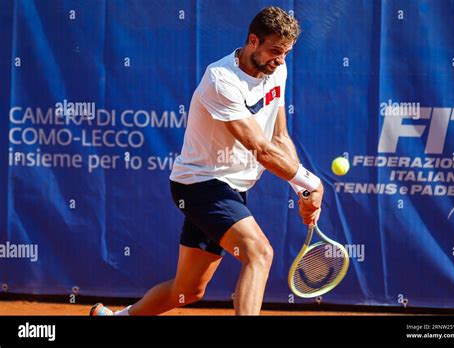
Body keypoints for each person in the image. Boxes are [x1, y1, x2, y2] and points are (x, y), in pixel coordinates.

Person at [90, 6, 323, 316]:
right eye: (275, 51)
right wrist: (311, 181)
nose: (280, 59)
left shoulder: (277, 69)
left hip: (231, 188)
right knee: (260, 253)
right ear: (253, 41)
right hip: (199, 185)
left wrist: (301, 192)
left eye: (286, 53)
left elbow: (279, 137)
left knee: (187, 292)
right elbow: (261, 149)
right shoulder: (221, 78)